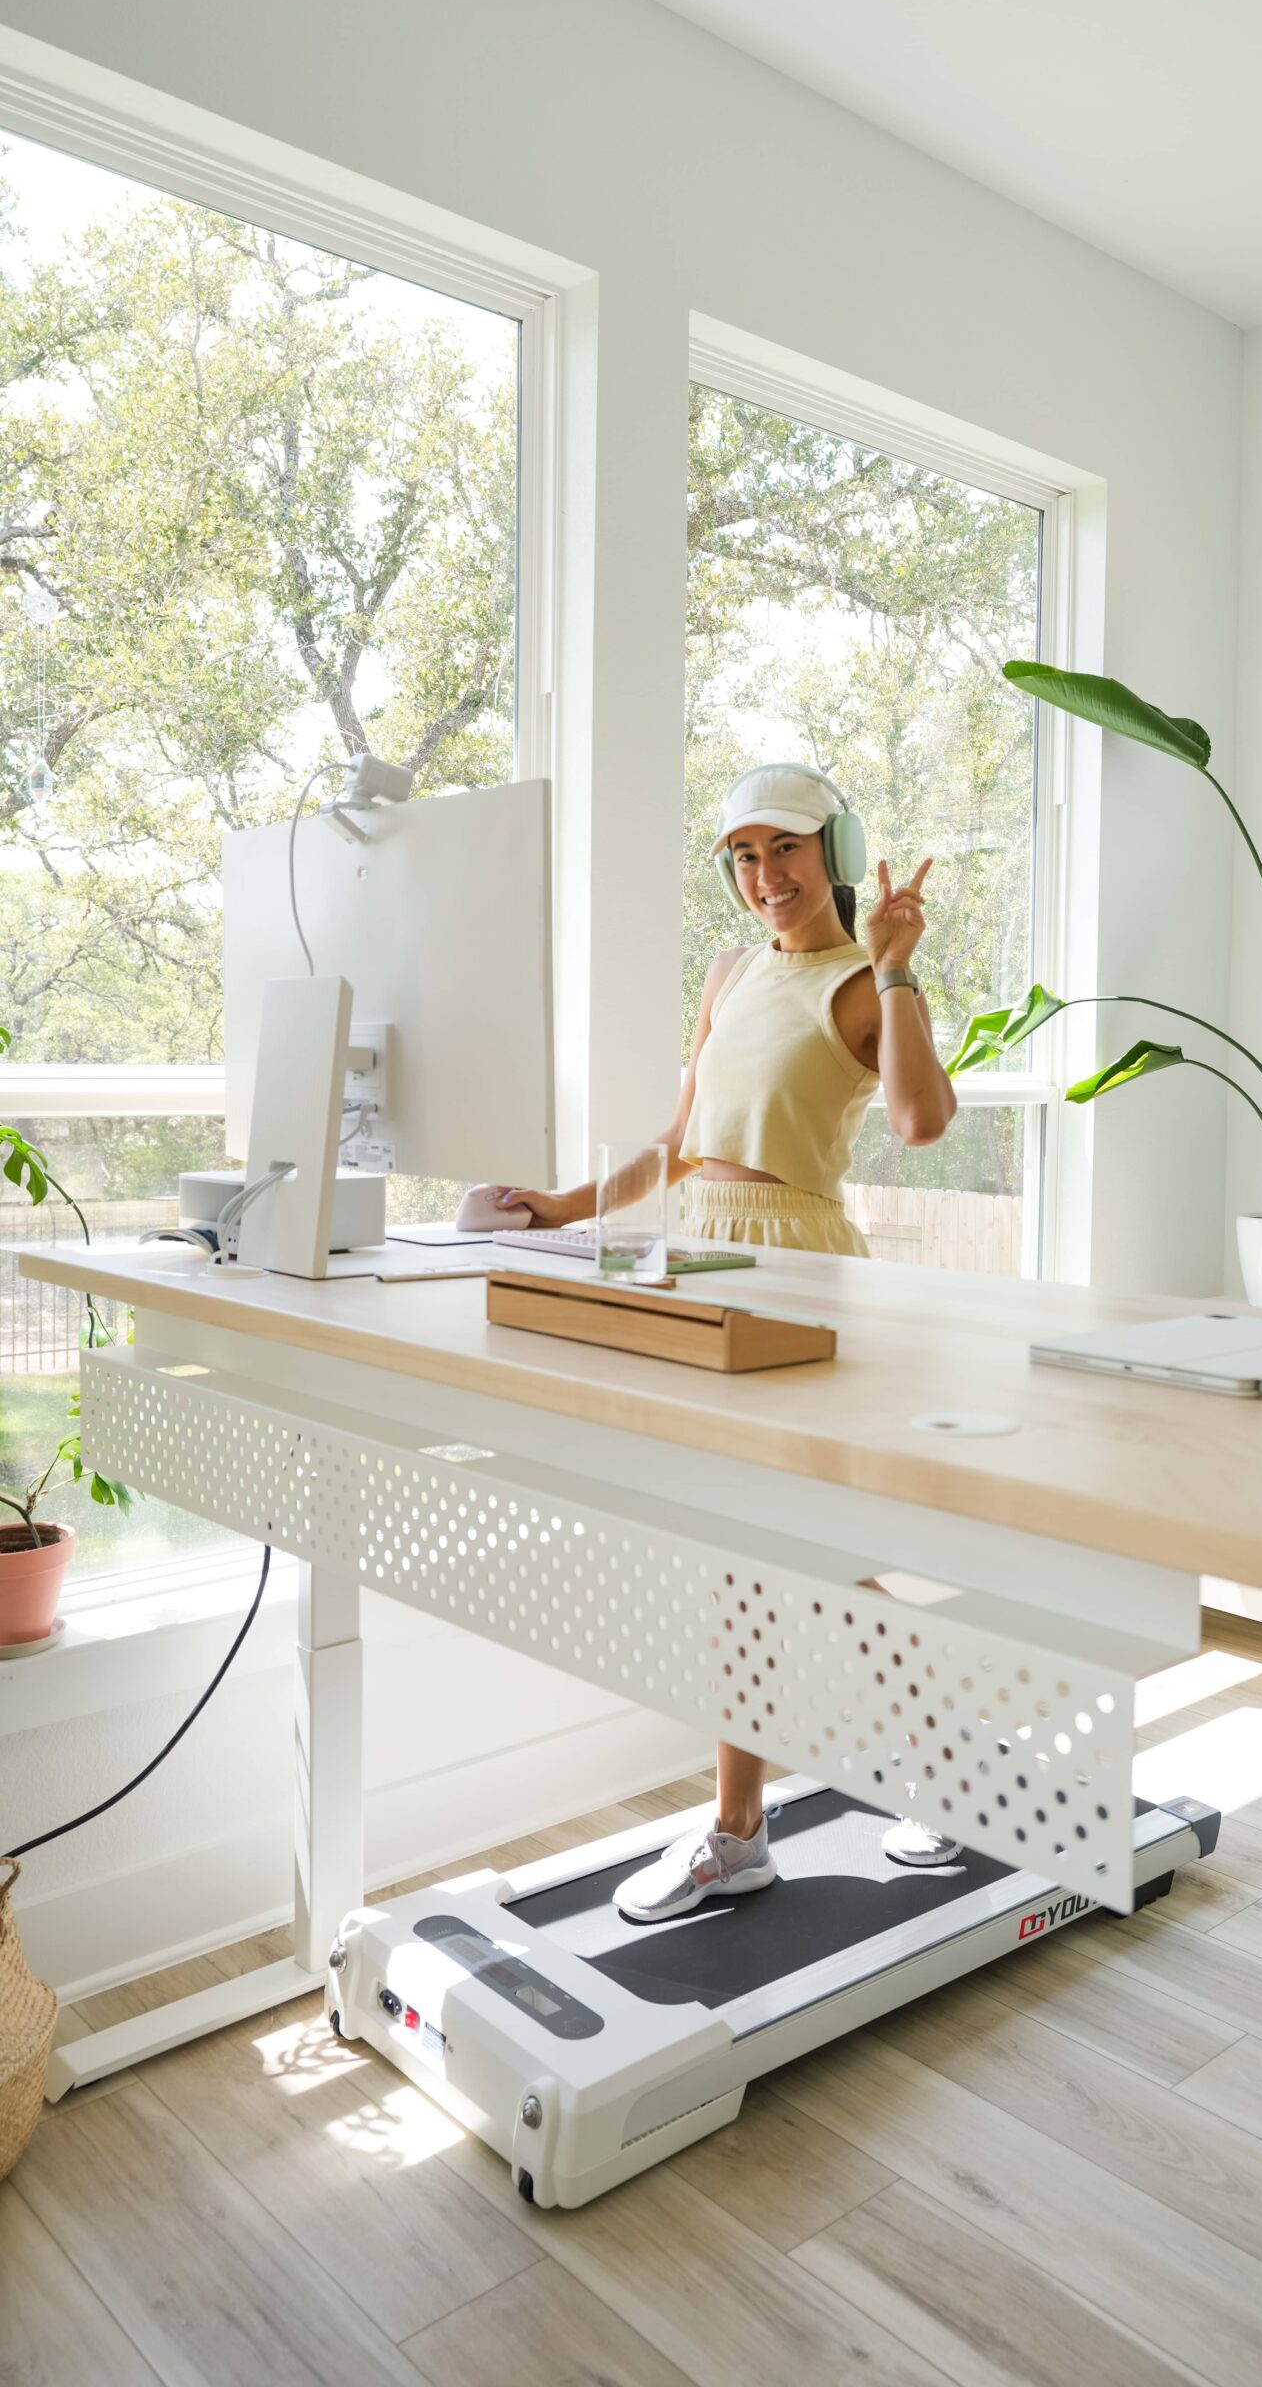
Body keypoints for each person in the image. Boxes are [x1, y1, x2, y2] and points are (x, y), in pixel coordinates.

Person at [498, 762, 960, 1921]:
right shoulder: (731, 970)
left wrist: (899, 972)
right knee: (745, 1563)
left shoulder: (865, 982)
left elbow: (920, 1121)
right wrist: (563, 1207)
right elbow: (676, 1140)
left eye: (786, 850)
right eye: (745, 857)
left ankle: (794, 1813)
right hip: (698, 1247)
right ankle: (747, 1827)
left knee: (807, 1557)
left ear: (834, 849)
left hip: (796, 1263)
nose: (766, 878)